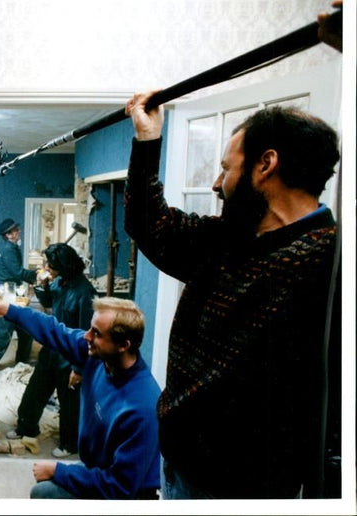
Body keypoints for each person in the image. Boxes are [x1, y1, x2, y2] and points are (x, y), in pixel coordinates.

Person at [123, 93, 340, 498]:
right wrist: (148, 139)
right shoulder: (227, 238)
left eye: (226, 169)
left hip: (243, 488)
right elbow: (150, 224)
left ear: (265, 165)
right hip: (179, 466)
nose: (216, 183)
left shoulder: (329, 259)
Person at [0, 296, 160, 499]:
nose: (87, 337)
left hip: (126, 494)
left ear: (123, 345)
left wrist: (59, 471)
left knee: (43, 493)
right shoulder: (99, 357)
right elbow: (55, 330)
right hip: (97, 465)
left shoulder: (143, 408)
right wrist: (7, 309)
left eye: (96, 333)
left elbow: (119, 488)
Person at [5, 243, 97, 459]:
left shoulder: (85, 293)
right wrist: (44, 285)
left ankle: (69, 444)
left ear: (64, 266)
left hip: (70, 355)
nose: (47, 267)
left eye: (51, 265)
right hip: (50, 350)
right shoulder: (59, 282)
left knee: (69, 405)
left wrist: (79, 369)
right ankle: (26, 428)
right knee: (34, 393)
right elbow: (47, 301)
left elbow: (87, 335)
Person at [0, 218, 37, 365]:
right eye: (15, 230)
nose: (19, 231)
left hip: (14, 290)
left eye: (17, 229)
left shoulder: (11, 247)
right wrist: (36, 275)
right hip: (8, 291)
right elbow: (17, 272)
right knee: (4, 333)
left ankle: (22, 360)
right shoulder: (9, 249)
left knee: (26, 328)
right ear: (8, 235)